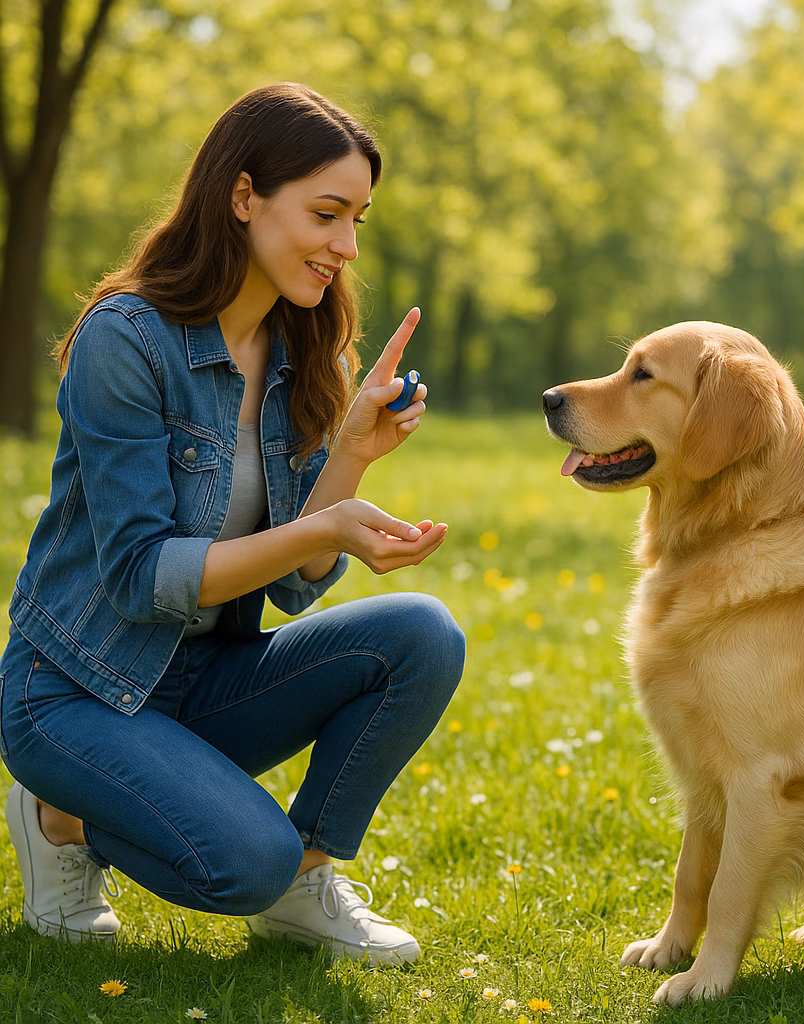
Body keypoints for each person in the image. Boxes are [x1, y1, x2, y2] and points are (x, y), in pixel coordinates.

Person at [0, 82, 465, 966]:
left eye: (358, 219)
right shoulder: (125, 339)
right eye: (327, 214)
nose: (346, 246)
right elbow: (142, 579)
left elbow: (289, 588)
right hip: (75, 691)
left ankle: (306, 881)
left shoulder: (301, 351)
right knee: (245, 863)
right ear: (243, 195)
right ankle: (60, 813)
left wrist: (352, 455)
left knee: (424, 634)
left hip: (202, 683)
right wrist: (328, 528)